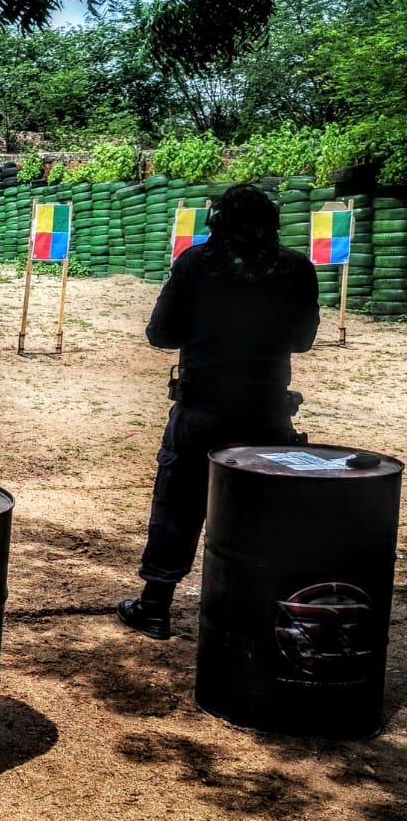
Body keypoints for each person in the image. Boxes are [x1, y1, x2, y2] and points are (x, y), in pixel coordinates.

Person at [118, 184, 319, 640]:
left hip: (202, 407)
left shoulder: (196, 263)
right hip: (266, 412)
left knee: (178, 503)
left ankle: (154, 607)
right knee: (261, 511)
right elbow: (303, 341)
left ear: (216, 224)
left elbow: (160, 333)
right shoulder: (295, 268)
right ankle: (255, 612)